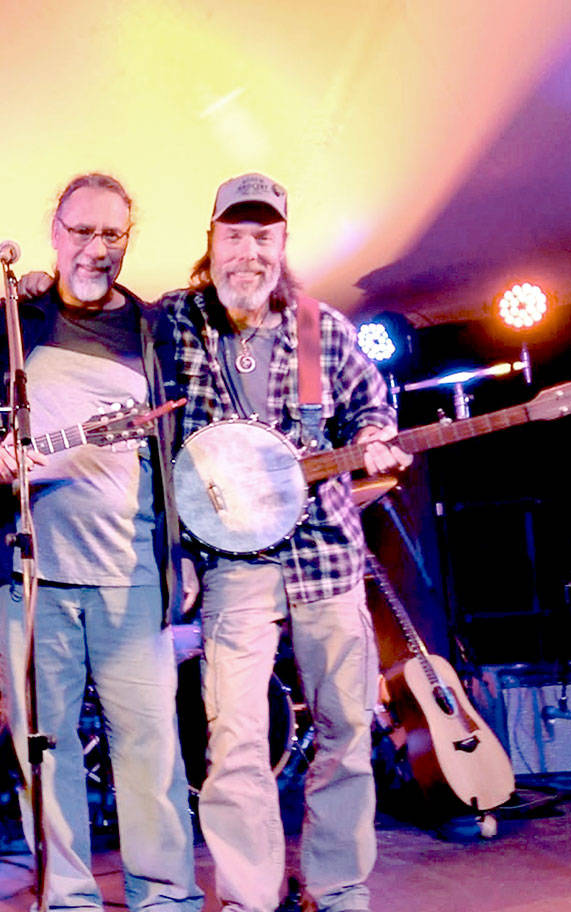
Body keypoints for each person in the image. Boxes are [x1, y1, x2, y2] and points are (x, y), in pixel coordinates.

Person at [0, 174, 203, 912]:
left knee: (151, 755)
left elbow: (182, 450)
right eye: (82, 231)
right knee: (42, 755)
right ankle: (70, 902)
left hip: (132, 571)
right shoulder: (15, 323)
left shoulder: (153, 330)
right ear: (54, 232)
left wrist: (184, 556)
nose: (96, 247)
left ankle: (167, 900)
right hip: (27, 579)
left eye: (112, 234)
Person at [159, 173, 411, 912]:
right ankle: (249, 898)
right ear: (210, 242)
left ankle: (339, 889)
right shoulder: (173, 322)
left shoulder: (319, 328)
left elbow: (373, 406)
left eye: (264, 238)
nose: (249, 253)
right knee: (236, 746)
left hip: (326, 557)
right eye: (234, 236)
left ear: (283, 246)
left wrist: (372, 438)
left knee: (347, 732)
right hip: (233, 565)